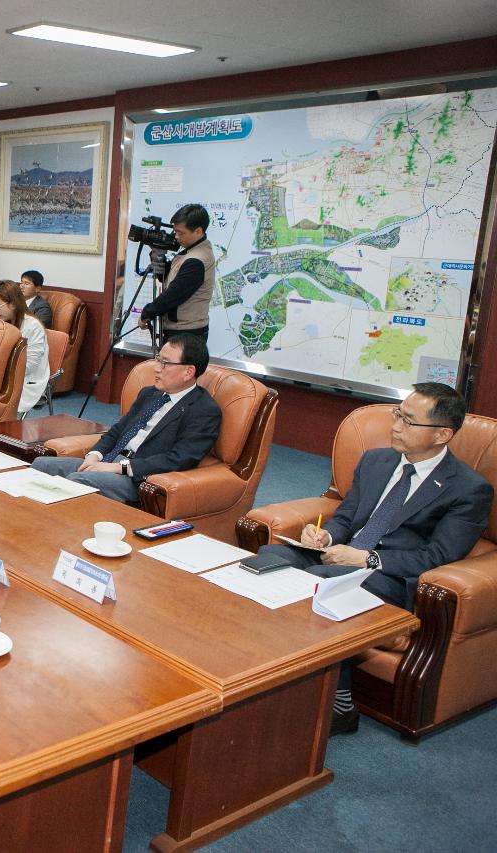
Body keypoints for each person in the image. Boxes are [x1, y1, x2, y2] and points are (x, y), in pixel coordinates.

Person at [257, 382, 493, 734]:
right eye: (398, 415)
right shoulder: (376, 460)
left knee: (324, 586)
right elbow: (347, 516)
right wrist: (326, 535)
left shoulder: (467, 488)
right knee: (267, 559)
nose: (395, 426)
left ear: (442, 434)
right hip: (340, 555)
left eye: (409, 421)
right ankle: (264, 675)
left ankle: (340, 706)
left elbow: (438, 555)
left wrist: (366, 559)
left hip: (391, 576)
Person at [32, 333, 220, 504]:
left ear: (188, 372)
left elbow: (178, 459)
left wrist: (120, 468)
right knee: (42, 464)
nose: (156, 368)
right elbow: (117, 431)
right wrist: (93, 456)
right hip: (109, 461)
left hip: (138, 477)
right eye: (158, 360)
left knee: (77, 482)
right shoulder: (150, 394)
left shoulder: (203, 410)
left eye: (165, 363)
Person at [139, 203, 215, 345]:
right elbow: (171, 279)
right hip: (181, 329)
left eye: (181, 233)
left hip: (186, 333)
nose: (176, 237)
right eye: (175, 232)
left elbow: (174, 294)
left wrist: (147, 313)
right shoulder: (191, 251)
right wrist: (157, 257)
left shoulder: (197, 260)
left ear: (198, 231)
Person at [0, 280, 50, 416]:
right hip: (5, 374)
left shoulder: (33, 326)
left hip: (28, 379)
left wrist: (0, 370)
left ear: (13, 304)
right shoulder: (3, 322)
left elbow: (30, 366)